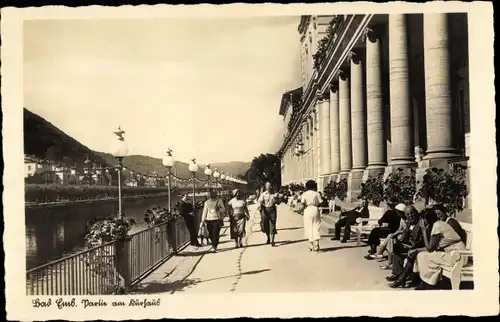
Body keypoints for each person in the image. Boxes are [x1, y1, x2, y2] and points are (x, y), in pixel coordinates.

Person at [412, 204, 467, 290]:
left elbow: (429, 248)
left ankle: (429, 283)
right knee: (422, 255)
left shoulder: (437, 226)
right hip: (453, 254)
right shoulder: (438, 224)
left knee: (423, 256)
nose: (421, 222)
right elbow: (431, 247)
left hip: (458, 256)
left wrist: (423, 230)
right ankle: (429, 282)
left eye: (422, 220)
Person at [386, 207, 438, 288]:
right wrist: (403, 237)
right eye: (408, 214)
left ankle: (401, 279)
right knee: (397, 248)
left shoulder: (422, 222)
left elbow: (421, 240)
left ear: (416, 212)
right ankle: (398, 273)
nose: (410, 216)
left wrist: (411, 246)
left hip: (422, 246)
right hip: (413, 245)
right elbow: (404, 236)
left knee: (411, 254)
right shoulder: (410, 222)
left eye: (412, 213)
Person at [299, 180, 323, 252]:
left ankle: (311, 244)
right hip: (315, 209)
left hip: (307, 209)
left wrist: (300, 210)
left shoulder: (304, 194)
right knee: (316, 226)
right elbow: (321, 202)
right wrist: (316, 205)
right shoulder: (317, 194)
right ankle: (317, 244)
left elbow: (303, 203)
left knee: (309, 226)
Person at [257, 182, 281, 246]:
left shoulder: (275, 194)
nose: (270, 187)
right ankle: (268, 238)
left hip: (272, 210)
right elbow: (259, 201)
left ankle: (273, 241)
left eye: (270, 186)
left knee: (272, 225)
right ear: (266, 187)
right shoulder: (263, 194)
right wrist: (259, 206)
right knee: (266, 225)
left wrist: (276, 199)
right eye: (268, 186)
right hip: (265, 211)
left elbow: (278, 203)